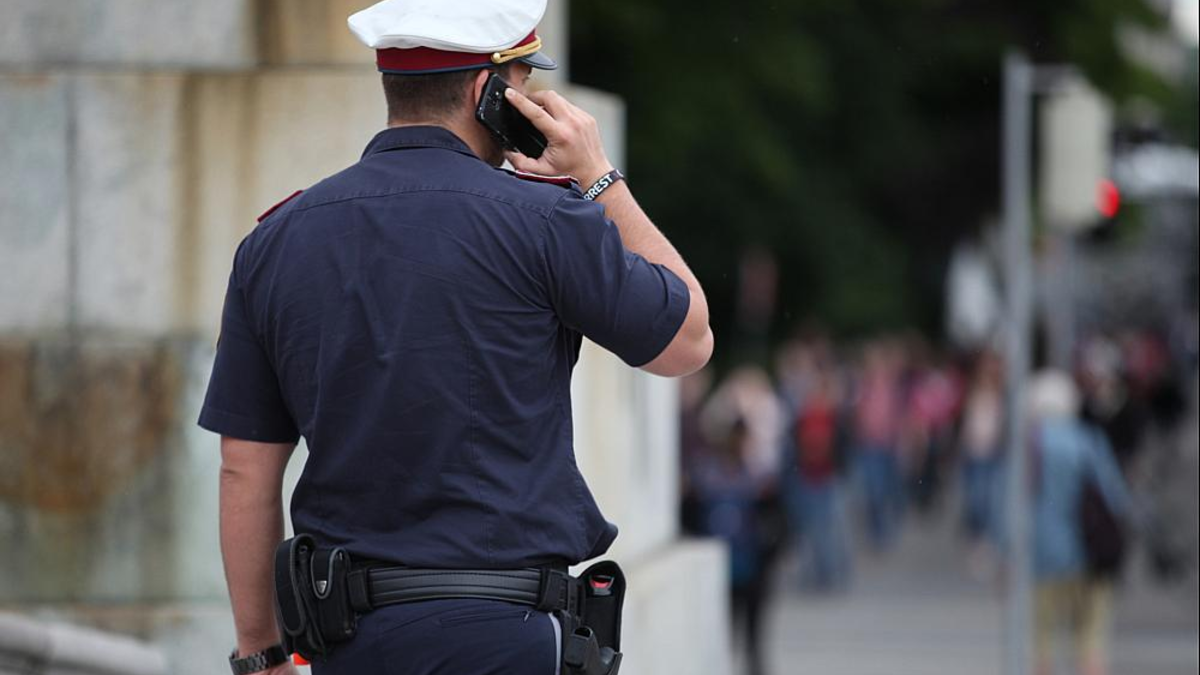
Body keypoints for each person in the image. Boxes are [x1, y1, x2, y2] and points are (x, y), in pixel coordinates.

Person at [200, 1, 713, 674]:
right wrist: (599, 180)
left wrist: (260, 652)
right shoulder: (549, 220)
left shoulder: (275, 240)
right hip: (509, 636)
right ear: (488, 92)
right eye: (523, 84)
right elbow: (689, 341)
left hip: (353, 641)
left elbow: (245, 465)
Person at [1029, 371, 1132, 675]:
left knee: (1041, 641)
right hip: (1091, 552)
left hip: (1042, 555)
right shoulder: (1088, 440)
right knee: (1090, 641)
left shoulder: (1028, 446)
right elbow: (1116, 497)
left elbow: (1008, 506)